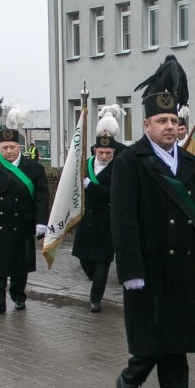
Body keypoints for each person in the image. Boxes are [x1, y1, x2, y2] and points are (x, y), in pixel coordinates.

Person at [111, 55, 195, 388]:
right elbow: (124, 220)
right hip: (147, 269)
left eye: (174, 121)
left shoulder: (193, 166)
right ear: (146, 124)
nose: (169, 126)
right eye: (161, 121)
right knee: (151, 341)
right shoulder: (130, 161)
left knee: (178, 343)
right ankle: (130, 380)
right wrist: (129, 269)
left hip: (183, 268)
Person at [0, 108, 48, 315]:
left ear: (19, 147)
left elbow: (42, 198)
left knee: (20, 264)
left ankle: (18, 295)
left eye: (12, 147)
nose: (8, 151)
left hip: (23, 222)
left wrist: (41, 222)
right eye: (4, 147)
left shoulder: (34, 169)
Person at [72, 111, 121, 314]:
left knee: (103, 264)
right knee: (85, 260)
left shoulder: (118, 168)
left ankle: (95, 300)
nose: (104, 156)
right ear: (95, 150)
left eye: (108, 153)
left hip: (106, 223)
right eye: (101, 152)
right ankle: (94, 280)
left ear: (112, 153)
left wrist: (91, 187)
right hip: (86, 221)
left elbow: (113, 193)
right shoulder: (85, 165)